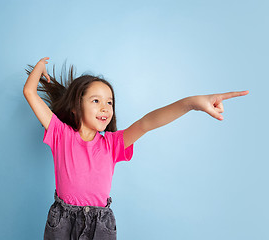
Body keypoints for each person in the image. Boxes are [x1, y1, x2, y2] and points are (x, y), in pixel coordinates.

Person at [23, 57, 249, 240]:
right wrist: (39, 68)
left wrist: (191, 103)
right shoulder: (61, 135)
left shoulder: (112, 144)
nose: (105, 108)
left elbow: (147, 122)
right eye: (96, 101)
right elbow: (30, 93)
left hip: (100, 225)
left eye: (109, 102)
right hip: (62, 221)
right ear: (75, 106)